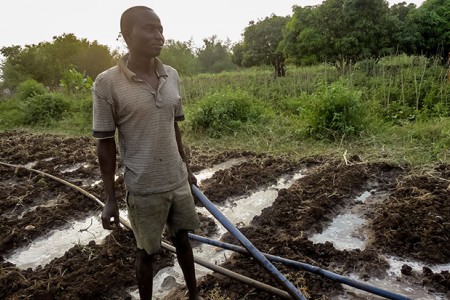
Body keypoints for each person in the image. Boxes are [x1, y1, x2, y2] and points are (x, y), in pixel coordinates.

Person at [92, 6, 202, 300]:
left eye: (161, 28)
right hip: (143, 188)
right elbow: (105, 143)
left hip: (176, 180)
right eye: (150, 29)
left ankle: (193, 294)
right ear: (128, 35)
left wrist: (186, 167)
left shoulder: (172, 75)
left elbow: (173, 128)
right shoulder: (107, 83)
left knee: (184, 241)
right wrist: (110, 198)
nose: (159, 35)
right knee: (147, 253)